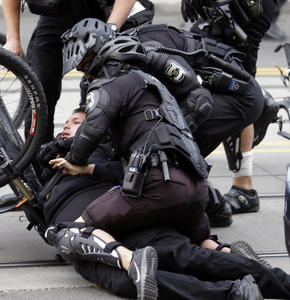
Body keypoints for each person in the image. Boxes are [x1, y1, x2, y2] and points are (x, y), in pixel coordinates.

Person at [36, 108, 290, 300]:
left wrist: (89, 169)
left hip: (121, 216)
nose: (68, 126)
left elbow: (128, 172)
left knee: (185, 255)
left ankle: (278, 282)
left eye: (77, 122)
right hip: (83, 238)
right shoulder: (45, 158)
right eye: (66, 122)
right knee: (127, 280)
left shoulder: (102, 148)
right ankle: (231, 292)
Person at [2, 0, 156, 143]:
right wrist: (12, 39)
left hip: (109, 10)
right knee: (38, 92)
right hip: (60, 12)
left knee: (111, 91)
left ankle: (106, 162)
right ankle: (40, 163)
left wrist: (111, 30)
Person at [181, 0, 281, 216]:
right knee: (202, 62)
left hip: (245, 9)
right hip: (224, 9)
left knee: (236, 83)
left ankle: (244, 187)